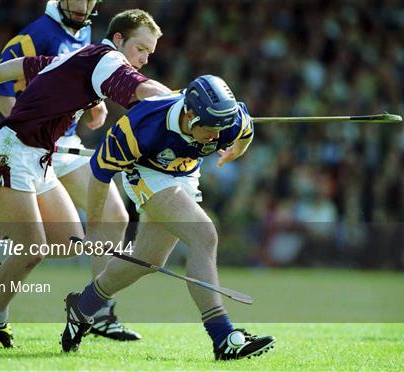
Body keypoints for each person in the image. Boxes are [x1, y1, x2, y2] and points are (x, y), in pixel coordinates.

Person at [0, 9, 170, 348]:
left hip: (38, 160)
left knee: (69, 243)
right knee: (32, 247)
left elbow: (27, 66)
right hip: (11, 154)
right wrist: (183, 105)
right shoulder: (108, 60)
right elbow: (144, 90)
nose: (143, 58)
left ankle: (2, 253)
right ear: (118, 40)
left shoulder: (82, 57)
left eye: (149, 54)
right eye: (140, 49)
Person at [60, 75, 275, 360]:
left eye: (221, 130)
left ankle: (83, 306)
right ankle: (223, 338)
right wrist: (96, 226)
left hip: (185, 174)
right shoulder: (141, 125)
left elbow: (244, 133)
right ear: (189, 114)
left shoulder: (228, 122)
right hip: (147, 174)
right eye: (209, 130)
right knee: (204, 233)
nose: (216, 136)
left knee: (146, 261)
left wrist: (234, 153)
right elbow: (100, 173)